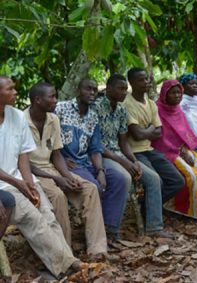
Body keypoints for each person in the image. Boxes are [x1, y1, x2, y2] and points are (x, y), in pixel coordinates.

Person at [0, 76, 86, 278]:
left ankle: (67, 263)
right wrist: (18, 183)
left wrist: (29, 182)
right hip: (4, 186)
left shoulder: (16, 117)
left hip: (19, 178)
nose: (15, 92)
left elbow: (23, 154)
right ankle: (68, 266)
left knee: (48, 214)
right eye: (10, 89)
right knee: (33, 219)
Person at [25, 82, 107, 257]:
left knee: (90, 189)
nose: (56, 100)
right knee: (58, 195)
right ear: (38, 100)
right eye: (52, 97)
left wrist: (68, 176)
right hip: (31, 173)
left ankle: (97, 249)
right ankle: (64, 252)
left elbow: (56, 155)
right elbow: (23, 162)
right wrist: (58, 180)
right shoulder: (21, 121)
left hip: (51, 169)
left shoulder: (53, 119)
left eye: (56, 96)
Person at [94, 74, 170, 237]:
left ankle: (154, 227)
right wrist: (124, 161)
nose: (124, 93)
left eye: (125, 89)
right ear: (109, 89)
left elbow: (123, 142)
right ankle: (111, 229)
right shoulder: (97, 108)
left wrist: (134, 161)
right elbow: (97, 144)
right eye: (120, 89)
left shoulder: (121, 109)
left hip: (118, 153)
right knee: (125, 178)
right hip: (102, 155)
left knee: (153, 178)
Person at [55, 78, 127, 243]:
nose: (92, 93)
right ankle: (95, 235)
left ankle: (109, 229)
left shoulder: (93, 117)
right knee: (94, 187)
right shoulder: (61, 109)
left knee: (118, 179)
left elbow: (95, 149)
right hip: (67, 164)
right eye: (88, 89)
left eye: (95, 90)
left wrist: (100, 170)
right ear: (78, 90)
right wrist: (60, 158)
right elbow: (48, 137)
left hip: (85, 163)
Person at [151, 79, 197, 219]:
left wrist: (186, 150)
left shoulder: (178, 110)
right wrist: (181, 153)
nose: (177, 96)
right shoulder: (157, 110)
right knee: (192, 175)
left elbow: (185, 133)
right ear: (165, 94)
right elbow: (160, 140)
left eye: (179, 93)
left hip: (181, 149)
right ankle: (186, 210)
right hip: (166, 152)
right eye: (173, 93)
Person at [124, 68, 184, 205]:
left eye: (146, 79)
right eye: (141, 80)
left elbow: (159, 133)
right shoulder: (127, 104)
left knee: (177, 181)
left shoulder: (151, 103)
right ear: (131, 82)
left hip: (149, 150)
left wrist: (147, 131)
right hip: (134, 152)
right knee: (156, 180)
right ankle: (154, 222)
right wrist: (150, 129)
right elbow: (137, 135)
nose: (145, 82)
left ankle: (147, 207)